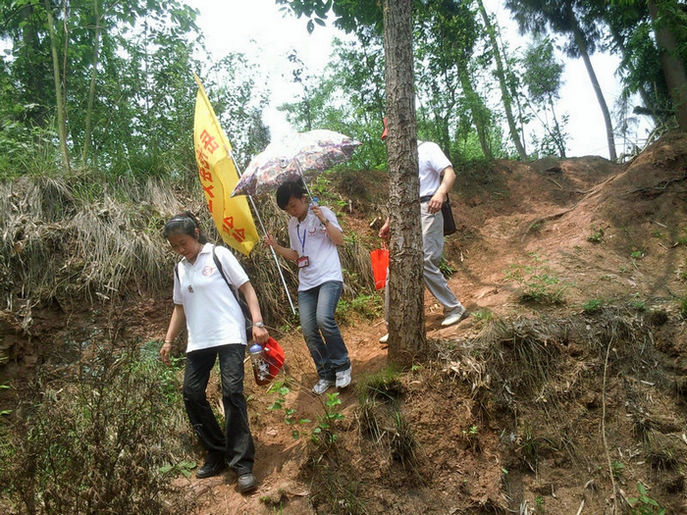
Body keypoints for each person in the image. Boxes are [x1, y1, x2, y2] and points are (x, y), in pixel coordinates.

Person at [159, 212, 268, 493]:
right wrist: (169, 340)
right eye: (175, 246)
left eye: (183, 242)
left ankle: (243, 464)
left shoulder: (218, 255)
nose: (180, 249)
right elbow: (180, 306)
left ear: (196, 233)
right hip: (199, 340)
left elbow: (246, 288)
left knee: (232, 392)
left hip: (229, 334)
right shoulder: (180, 269)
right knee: (191, 394)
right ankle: (217, 451)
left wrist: (257, 322)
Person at [264, 180, 352, 395]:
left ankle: (342, 366)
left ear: (303, 198)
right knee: (309, 329)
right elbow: (296, 255)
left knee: (324, 319)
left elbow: (339, 240)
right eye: (287, 209)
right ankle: (325, 374)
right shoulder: (293, 224)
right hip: (307, 283)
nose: (291, 211)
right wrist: (276, 247)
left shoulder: (322, 212)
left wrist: (324, 221)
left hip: (328, 276)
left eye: (293, 205)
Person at [378, 136, 468, 343]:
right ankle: (394, 328)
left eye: (390, 136)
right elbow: (400, 194)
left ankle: (455, 308)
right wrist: (389, 222)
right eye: (387, 138)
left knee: (424, 260)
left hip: (429, 208)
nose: (389, 141)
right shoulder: (398, 160)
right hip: (405, 213)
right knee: (395, 268)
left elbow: (450, 173)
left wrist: (441, 193)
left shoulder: (428, 148)